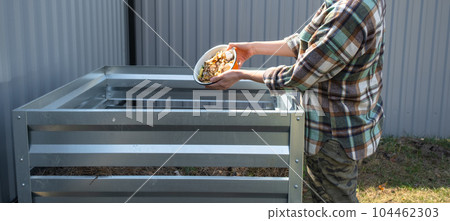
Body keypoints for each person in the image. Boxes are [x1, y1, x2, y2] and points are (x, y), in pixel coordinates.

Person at [206, 0, 386, 203]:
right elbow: (306, 43)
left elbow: (299, 76)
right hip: (349, 119)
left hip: (333, 131)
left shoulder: (349, 12)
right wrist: (253, 48)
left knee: (334, 203)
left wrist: (240, 75)